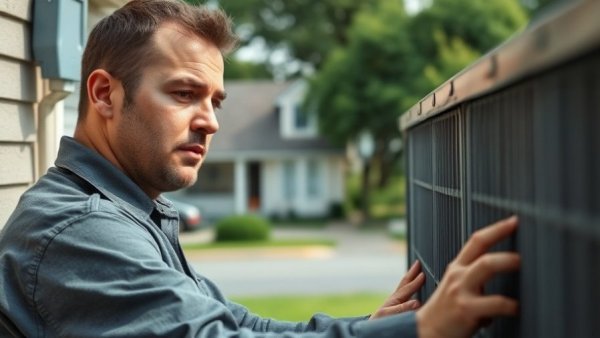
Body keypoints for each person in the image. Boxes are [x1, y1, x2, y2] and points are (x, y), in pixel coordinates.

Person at [0, 0, 520, 337]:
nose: (210, 122)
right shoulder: (79, 231)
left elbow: (234, 323)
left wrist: (370, 328)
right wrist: (424, 329)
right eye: (184, 93)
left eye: (216, 101)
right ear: (103, 94)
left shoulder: (132, 212)